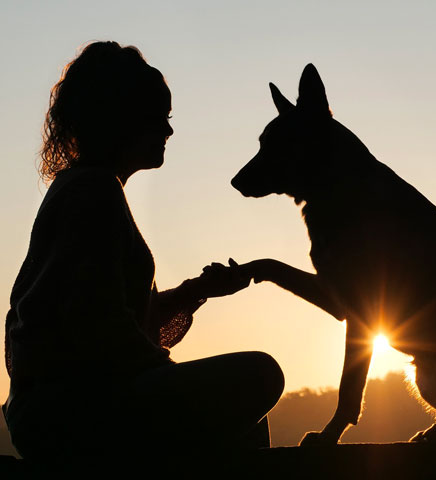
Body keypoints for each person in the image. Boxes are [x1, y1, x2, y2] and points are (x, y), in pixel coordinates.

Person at [2, 41, 284, 460]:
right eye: (158, 120)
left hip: (60, 408)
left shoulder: (89, 187)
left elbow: (122, 320)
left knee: (247, 422)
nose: (168, 132)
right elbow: (100, 328)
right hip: (64, 411)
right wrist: (169, 374)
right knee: (261, 374)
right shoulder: (93, 191)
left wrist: (194, 292)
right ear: (120, 119)